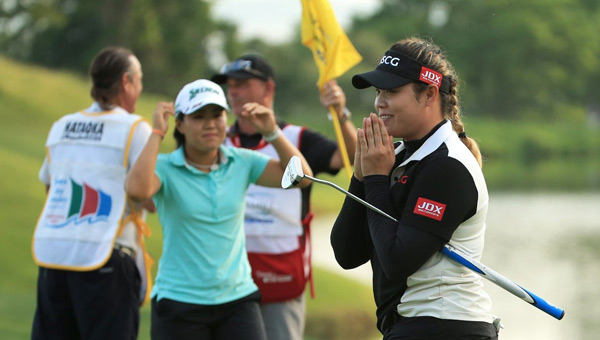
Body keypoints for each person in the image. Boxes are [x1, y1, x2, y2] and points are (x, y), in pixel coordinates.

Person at [330, 37, 500, 339]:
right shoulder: (395, 157)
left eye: (392, 91)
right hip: (413, 326)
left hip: (447, 325)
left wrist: (377, 180)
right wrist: (361, 177)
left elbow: (396, 261)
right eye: (379, 91)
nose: (380, 101)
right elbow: (347, 253)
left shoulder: (448, 166)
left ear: (429, 94)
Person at [124, 78, 312, 340]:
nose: (210, 123)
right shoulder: (166, 167)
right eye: (198, 116)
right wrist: (157, 132)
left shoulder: (241, 161)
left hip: (237, 300)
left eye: (217, 114)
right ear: (180, 123)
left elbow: (301, 178)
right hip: (179, 302)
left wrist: (272, 133)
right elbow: (136, 190)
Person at [211, 54, 357, 340]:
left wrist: (339, 113)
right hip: (225, 275)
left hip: (280, 274)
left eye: (242, 84)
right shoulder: (216, 141)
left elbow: (349, 156)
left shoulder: (297, 139)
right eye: (230, 85)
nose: (234, 92)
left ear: (268, 89)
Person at [31, 46, 153, 340]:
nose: (140, 87)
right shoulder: (136, 129)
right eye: (139, 80)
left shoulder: (62, 126)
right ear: (126, 82)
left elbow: (51, 189)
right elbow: (147, 195)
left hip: (54, 259)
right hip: (106, 259)